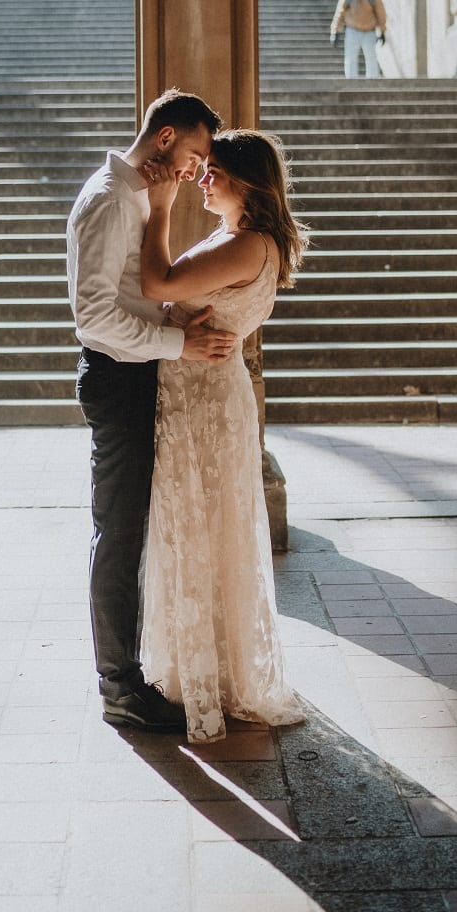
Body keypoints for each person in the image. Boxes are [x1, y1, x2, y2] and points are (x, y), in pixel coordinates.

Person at [67, 88, 238, 734]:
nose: (198, 170)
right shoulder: (111, 199)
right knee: (118, 532)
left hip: (137, 369)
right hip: (116, 377)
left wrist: (168, 316)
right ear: (165, 138)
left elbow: (129, 296)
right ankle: (119, 685)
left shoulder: (139, 196)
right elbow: (94, 316)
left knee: (130, 529)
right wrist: (180, 342)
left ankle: (124, 676)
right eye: (195, 154)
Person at [139, 129, 308, 743]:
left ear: (246, 182)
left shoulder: (246, 245)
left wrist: (159, 207)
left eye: (213, 172)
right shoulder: (241, 239)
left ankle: (211, 677)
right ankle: (203, 667)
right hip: (201, 390)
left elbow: (158, 285)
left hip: (202, 401)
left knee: (203, 528)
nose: (202, 181)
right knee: (202, 528)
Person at [329, 0, 387, 78]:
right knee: (350, 58)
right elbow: (340, 12)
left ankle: (372, 83)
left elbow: (381, 12)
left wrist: (382, 30)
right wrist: (334, 31)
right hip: (352, 30)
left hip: (369, 30)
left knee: (371, 59)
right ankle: (351, 82)